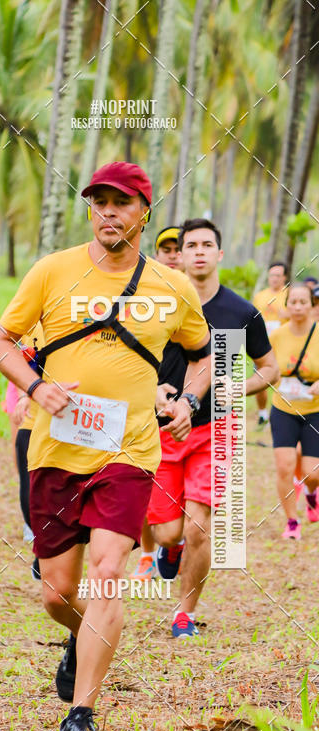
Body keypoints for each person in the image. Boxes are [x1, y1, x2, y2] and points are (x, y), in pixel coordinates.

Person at [0, 161, 211, 731]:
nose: (108, 212)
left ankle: (82, 711)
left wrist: (189, 400)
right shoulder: (52, 270)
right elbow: (0, 341)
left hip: (129, 450)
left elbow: (203, 353)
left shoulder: (172, 286)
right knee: (58, 592)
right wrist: (36, 386)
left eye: (122, 202)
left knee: (108, 573)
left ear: (144, 212)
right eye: (98, 202)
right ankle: (80, 635)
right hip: (56, 449)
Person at [149, 219, 279, 636]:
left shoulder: (241, 312)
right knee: (167, 533)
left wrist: (237, 387)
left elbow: (270, 368)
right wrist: (152, 390)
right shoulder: (159, 305)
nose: (199, 252)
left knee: (199, 527)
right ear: (180, 255)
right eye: (191, 245)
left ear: (219, 254)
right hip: (163, 431)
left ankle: (184, 614)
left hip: (216, 431)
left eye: (207, 245)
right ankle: (170, 550)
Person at [131, 225, 184, 581]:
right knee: (140, 487)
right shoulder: (141, 294)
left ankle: (174, 542)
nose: (174, 255)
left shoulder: (200, 301)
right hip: (142, 404)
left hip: (186, 411)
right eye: (167, 249)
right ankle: (148, 556)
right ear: (157, 254)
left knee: (179, 498)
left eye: (179, 249)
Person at [268, 282, 319, 538]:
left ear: (312, 305)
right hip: (283, 409)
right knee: (284, 466)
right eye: (293, 302)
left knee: (312, 473)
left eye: (303, 302)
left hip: (315, 411)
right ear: (286, 306)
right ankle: (292, 522)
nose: (298, 307)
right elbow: (264, 366)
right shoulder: (276, 336)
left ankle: (311, 491)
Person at [11, 322, 45, 580]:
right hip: (33, 419)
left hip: (70, 423)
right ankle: (42, 546)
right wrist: (23, 395)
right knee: (29, 490)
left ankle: (54, 550)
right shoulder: (30, 326)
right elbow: (20, 363)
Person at [253, 261, 289, 427]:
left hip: (283, 345)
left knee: (280, 380)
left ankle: (281, 414)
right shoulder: (260, 296)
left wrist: (287, 315)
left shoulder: (289, 295)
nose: (274, 278)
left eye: (278, 275)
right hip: (262, 344)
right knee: (260, 378)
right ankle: (262, 414)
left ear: (284, 277)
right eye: (272, 275)